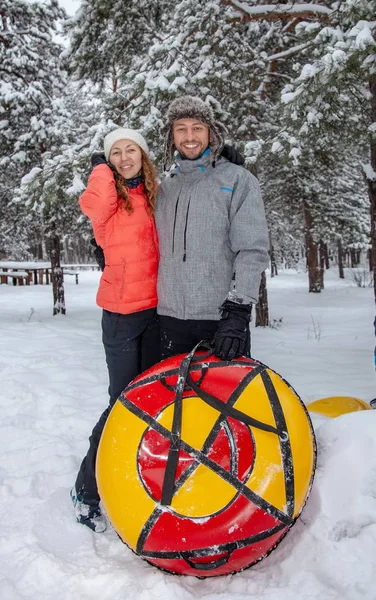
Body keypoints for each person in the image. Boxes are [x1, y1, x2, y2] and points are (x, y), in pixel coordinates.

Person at [71, 128, 160, 533]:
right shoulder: (106, 199)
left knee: (152, 401)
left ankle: (138, 476)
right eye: (116, 153)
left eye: (131, 150)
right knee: (120, 403)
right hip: (122, 315)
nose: (125, 158)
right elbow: (95, 203)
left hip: (158, 311)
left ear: (143, 154)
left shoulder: (155, 195)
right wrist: (101, 172)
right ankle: (87, 489)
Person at [155, 96, 270, 361]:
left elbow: (252, 250)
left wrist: (238, 310)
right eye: (181, 128)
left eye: (197, 127)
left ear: (211, 132)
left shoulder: (237, 179)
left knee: (226, 402)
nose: (189, 136)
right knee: (177, 402)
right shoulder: (166, 187)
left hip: (220, 319)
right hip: (169, 318)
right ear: (171, 136)